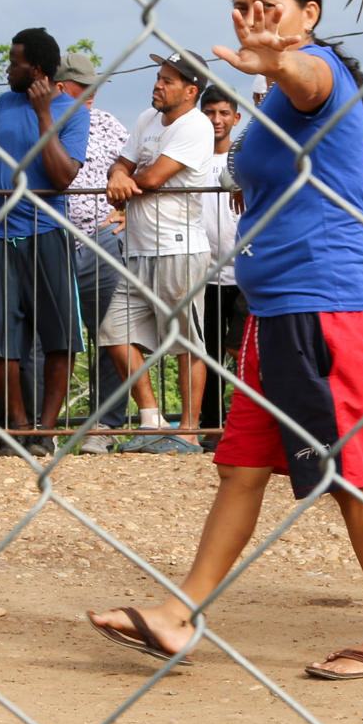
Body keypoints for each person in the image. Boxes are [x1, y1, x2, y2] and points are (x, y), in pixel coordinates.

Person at [89, 0, 363, 681]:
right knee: (240, 468)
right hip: (275, 313)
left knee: (352, 473)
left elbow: (312, 82)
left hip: (322, 308)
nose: (251, 17)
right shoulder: (270, 100)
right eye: (241, 4)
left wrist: (281, 60)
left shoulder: (322, 71)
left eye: (268, 4)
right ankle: (180, 617)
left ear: (310, 14)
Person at [0, 28, 88, 452]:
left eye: (15, 62)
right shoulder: (3, 104)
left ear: (38, 70)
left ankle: (45, 431)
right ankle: (18, 426)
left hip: (47, 234)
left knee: (59, 335)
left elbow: (64, 177)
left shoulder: (71, 111)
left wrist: (45, 114)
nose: (8, 69)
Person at [99, 52, 213, 451]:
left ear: (190, 90)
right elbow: (123, 164)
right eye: (159, 77)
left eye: (168, 80)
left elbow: (150, 176)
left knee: (186, 342)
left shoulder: (196, 126)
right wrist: (116, 175)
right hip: (140, 249)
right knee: (115, 334)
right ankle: (151, 418)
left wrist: (124, 182)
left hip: (178, 248)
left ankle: (188, 429)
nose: (158, 85)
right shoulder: (147, 120)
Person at [56, 52, 129, 453]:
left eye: (91, 86)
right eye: (79, 86)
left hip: (100, 238)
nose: (89, 94)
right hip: (50, 236)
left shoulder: (109, 125)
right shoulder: (43, 122)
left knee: (109, 329)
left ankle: (107, 421)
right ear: (59, 87)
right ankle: (41, 424)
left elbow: (132, 168)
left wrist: (125, 211)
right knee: (50, 330)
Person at [194, 83, 246, 437]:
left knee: (243, 353)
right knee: (206, 354)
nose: (216, 120)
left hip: (244, 271)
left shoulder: (245, 160)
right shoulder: (191, 158)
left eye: (223, 113)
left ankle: (246, 425)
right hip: (203, 272)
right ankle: (210, 428)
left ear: (236, 117)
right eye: (210, 112)